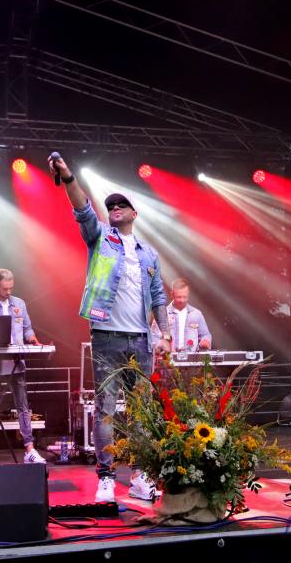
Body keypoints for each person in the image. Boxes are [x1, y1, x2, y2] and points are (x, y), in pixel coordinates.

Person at [48, 153, 172, 502]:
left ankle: (141, 476)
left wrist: (165, 334)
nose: (115, 208)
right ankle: (105, 477)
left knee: (140, 412)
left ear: (134, 213)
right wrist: (68, 176)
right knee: (105, 409)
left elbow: (158, 295)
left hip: (141, 341)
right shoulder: (101, 238)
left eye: (122, 205)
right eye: (111, 205)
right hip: (107, 337)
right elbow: (83, 209)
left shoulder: (148, 253)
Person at [0, 268, 46, 466]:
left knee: (23, 406)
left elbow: (27, 328)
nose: (8, 292)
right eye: (5, 288)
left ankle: (29, 449)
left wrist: (33, 339)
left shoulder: (19, 304)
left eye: (11, 288)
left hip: (16, 361)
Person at [152, 277, 212, 352]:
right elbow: (153, 337)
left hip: (191, 357)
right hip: (168, 357)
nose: (182, 300)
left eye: (185, 297)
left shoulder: (197, 314)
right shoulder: (162, 315)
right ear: (172, 295)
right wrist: (161, 346)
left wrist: (205, 340)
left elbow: (205, 334)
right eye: (179, 297)